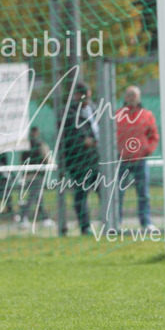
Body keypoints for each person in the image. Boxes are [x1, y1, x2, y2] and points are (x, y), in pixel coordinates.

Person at [115, 85, 160, 231]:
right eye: (129, 95)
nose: (131, 98)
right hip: (121, 160)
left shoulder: (147, 115)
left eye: (134, 95)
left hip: (140, 160)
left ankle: (146, 222)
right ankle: (116, 222)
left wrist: (148, 149)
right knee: (118, 193)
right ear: (125, 97)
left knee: (143, 193)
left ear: (139, 97)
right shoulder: (117, 115)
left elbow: (154, 135)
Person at [59, 80, 100, 235]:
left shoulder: (95, 109)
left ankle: (109, 223)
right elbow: (67, 137)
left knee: (105, 191)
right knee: (81, 194)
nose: (87, 101)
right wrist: (83, 141)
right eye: (84, 97)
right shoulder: (68, 113)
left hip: (96, 159)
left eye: (89, 97)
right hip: (79, 162)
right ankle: (85, 227)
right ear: (76, 96)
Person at [18, 126, 52, 226]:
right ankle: (23, 218)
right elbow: (47, 157)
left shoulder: (24, 145)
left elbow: (21, 160)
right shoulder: (40, 144)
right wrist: (51, 165)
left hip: (27, 175)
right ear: (37, 133)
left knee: (38, 197)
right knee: (32, 197)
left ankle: (45, 218)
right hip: (37, 174)